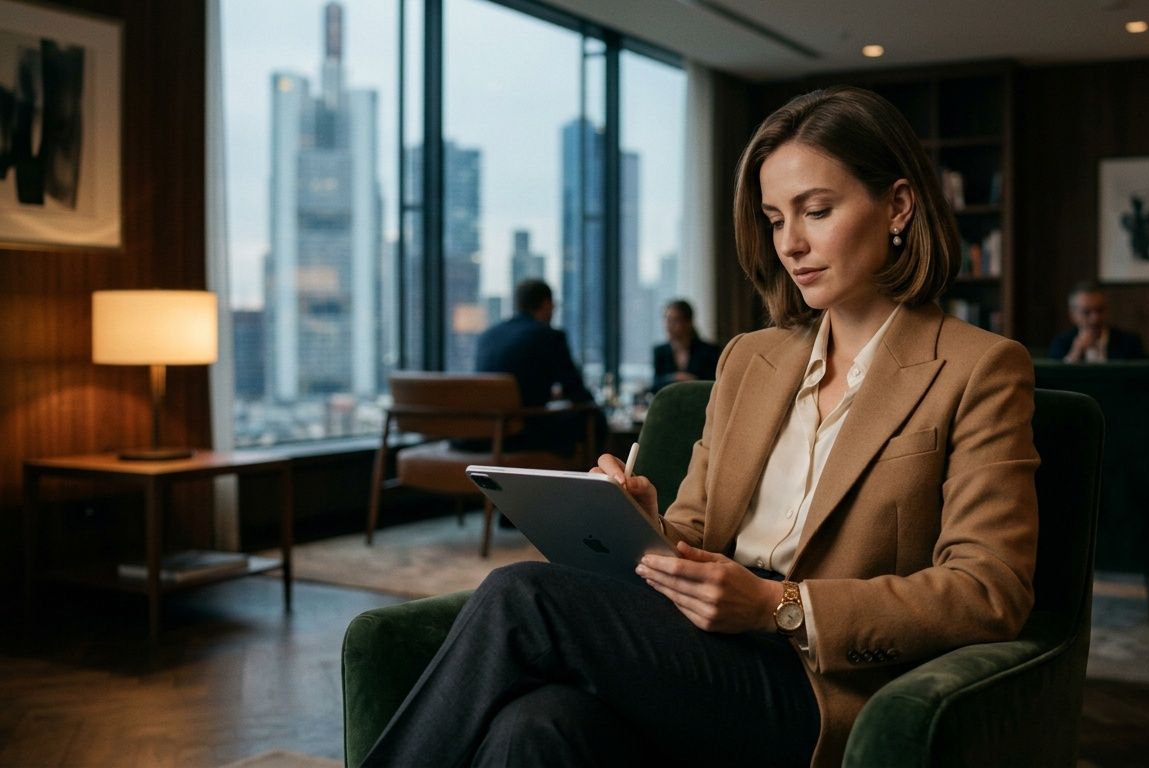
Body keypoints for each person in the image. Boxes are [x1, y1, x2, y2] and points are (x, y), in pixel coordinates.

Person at [360, 86, 1039, 768]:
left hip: (816, 685)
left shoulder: (978, 369)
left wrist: (780, 606)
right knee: (538, 726)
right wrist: (646, 526)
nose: (791, 244)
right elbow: (695, 538)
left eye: (818, 211)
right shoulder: (751, 359)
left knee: (520, 595)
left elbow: (989, 591)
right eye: (775, 220)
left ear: (897, 206)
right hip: (700, 651)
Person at [470, 278, 601, 457]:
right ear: (547, 304)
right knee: (595, 419)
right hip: (521, 433)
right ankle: (601, 481)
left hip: (480, 434)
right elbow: (576, 391)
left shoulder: (488, 335)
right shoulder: (548, 336)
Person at [1047, 281, 1145, 362]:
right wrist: (1075, 353)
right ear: (1072, 315)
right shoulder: (1061, 343)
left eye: (1100, 310)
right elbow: (1056, 381)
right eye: (1086, 312)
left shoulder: (1130, 342)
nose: (1095, 318)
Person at [651, 299, 721, 392]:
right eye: (667, 319)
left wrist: (693, 380)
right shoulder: (660, 351)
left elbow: (714, 385)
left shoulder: (709, 351)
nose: (668, 325)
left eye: (674, 320)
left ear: (688, 322)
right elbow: (654, 385)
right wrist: (674, 377)